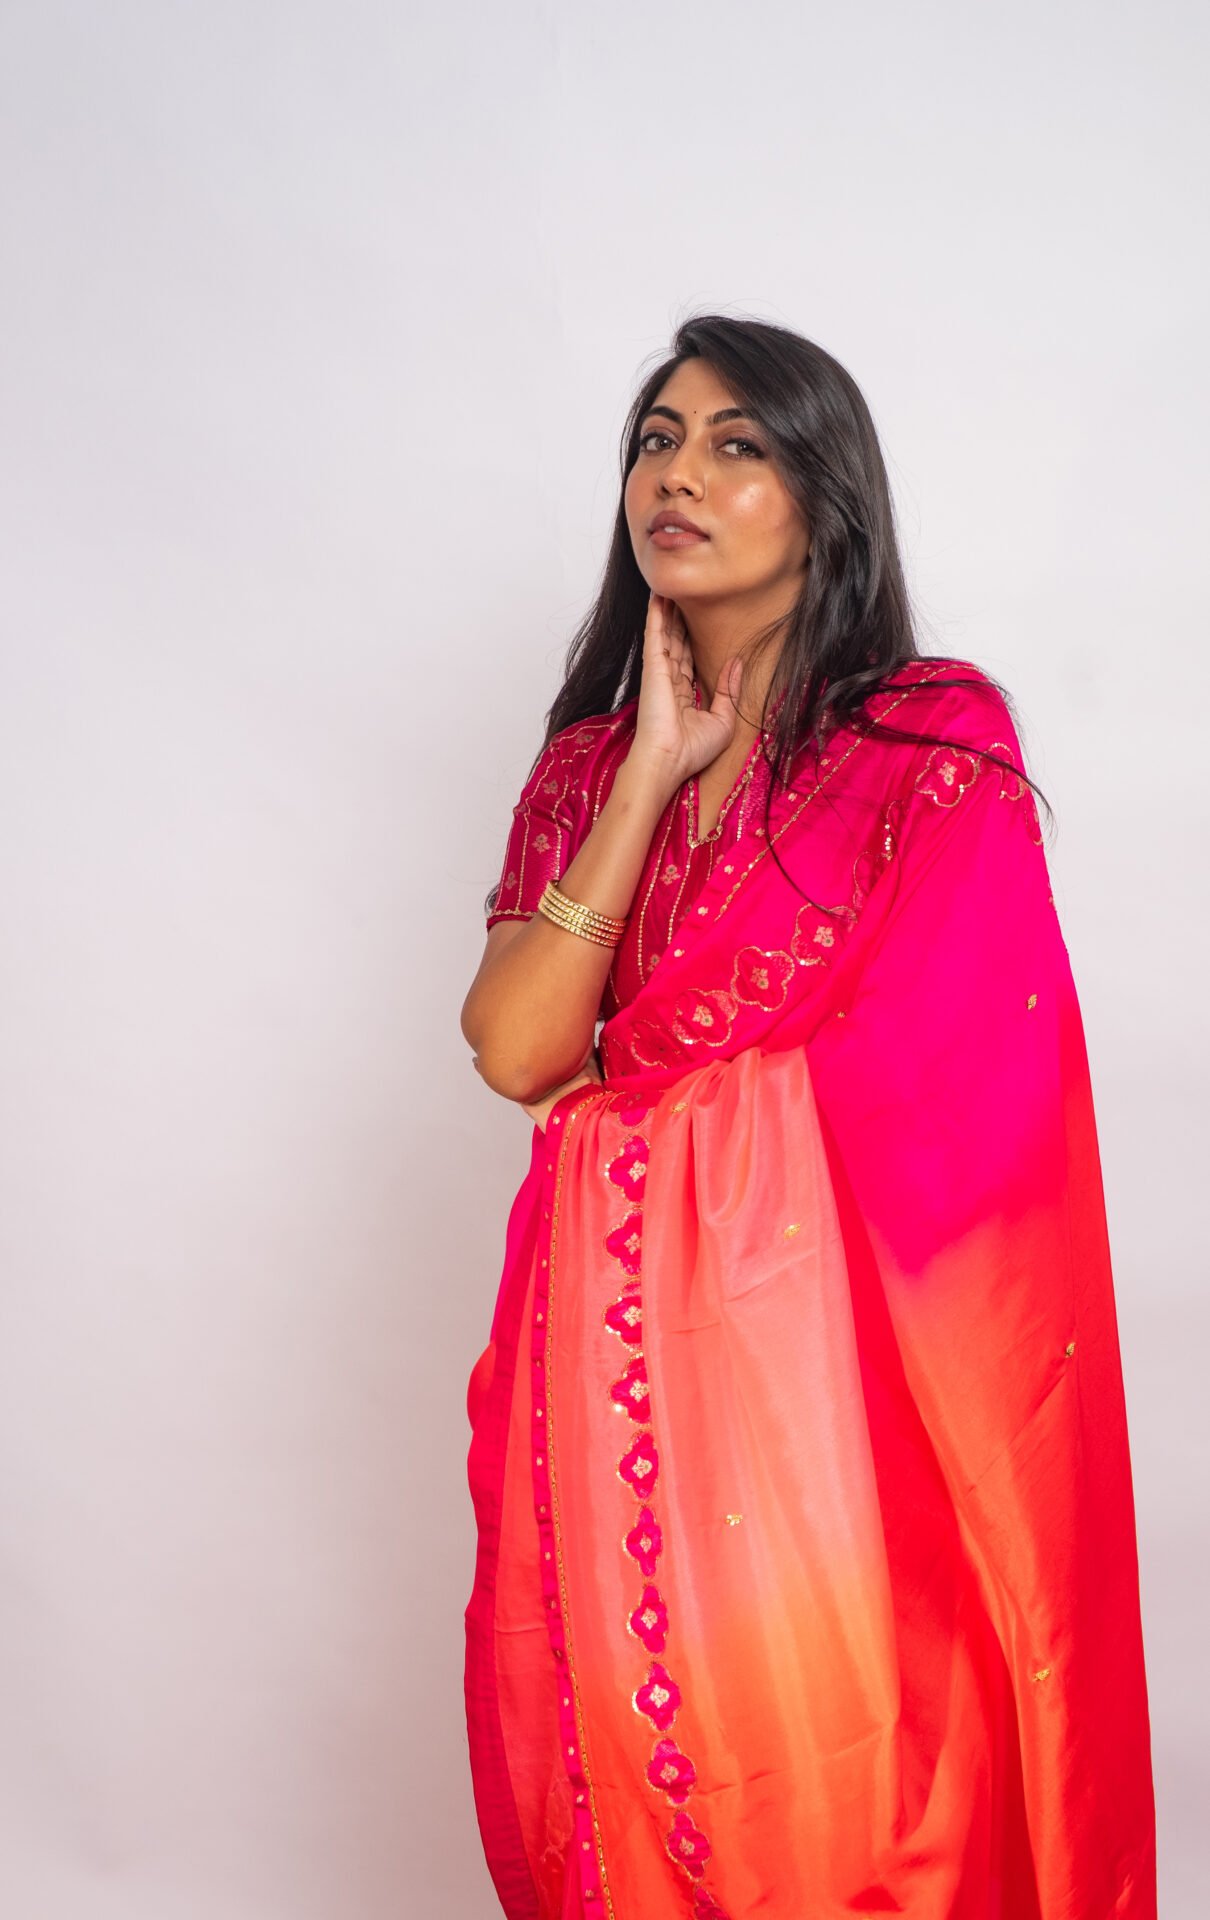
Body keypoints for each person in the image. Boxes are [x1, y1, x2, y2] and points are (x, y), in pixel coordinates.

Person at [459, 314, 1157, 1920]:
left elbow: (953, 1080)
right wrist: (649, 772)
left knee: (852, 1796)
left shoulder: (925, 742)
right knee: (646, 1766)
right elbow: (512, 1048)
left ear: (824, 496)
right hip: (622, 1366)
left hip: (842, 1388)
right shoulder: (584, 771)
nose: (676, 476)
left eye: (735, 445)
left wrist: (647, 1128)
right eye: (654, 441)